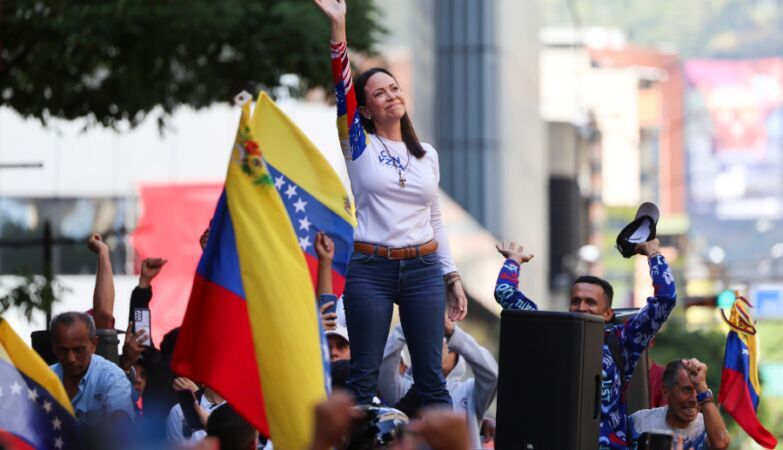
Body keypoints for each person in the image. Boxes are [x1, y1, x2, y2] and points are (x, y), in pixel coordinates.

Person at [314, 0, 468, 411]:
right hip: (371, 270)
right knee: (363, 377)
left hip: (422, 271)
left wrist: (450, 275)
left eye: (394, 88)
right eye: (379, 93)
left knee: (432, 381)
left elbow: (434, 217)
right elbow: (341, 84)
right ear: (365, 109)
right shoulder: (357, 144)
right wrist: (339, 28)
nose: (390, 96)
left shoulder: (426, 155)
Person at [494, 239, 677, 449]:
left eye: (590, 302)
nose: (581, 307)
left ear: (608, 313)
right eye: (576, 301)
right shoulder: (551, 333)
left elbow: (666, 299)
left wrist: (653, 253)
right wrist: (514, 261)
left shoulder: (623, 340)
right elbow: (504, 293)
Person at [378, 317, 498, 448]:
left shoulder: (469, 391)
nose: (437, 348)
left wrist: (454, 333)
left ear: (458, 356)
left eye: (447, 346)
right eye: (431, 343)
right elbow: (384, 366)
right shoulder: (405, 385)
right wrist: (411, 319)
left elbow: (492, 374)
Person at [49, 311, 134, 425]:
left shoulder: (112, 378)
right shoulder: (42, 379)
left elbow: (122, 430)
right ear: (53, 347)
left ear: (94, 344)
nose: (71, 359)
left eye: (78, 350)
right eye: (63, 350)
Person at [629, 359, 730, 450]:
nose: (695, 399)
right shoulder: (639, 422)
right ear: (665, 390)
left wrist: (701, 385)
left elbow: (720, 443)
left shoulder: (707, 428)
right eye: (687, 390)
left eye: (698, 392)